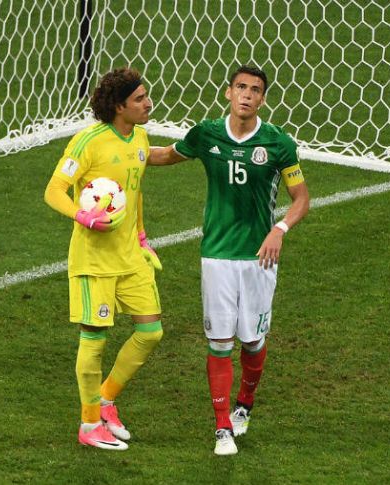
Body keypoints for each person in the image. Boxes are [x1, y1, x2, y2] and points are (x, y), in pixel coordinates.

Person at [148, 65, 310, 455]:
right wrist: (120, 154)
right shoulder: (206, 133)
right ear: (228, 92)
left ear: (263, 99)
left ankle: (245, 404)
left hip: (258, 258)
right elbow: (166, 156)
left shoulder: (278, 144)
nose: (247, 95)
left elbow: (301, 198)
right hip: (217, 255)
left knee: (252, 342)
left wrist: (280, 229)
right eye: (241, 87)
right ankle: (222, 428)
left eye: (255, 90)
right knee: (219, 342)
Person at [44, 67, 164, 451]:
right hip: (94, 261)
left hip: (130, 256)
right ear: (118, 106)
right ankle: (89, 422)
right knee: (94, 340)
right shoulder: (88, 143)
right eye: (140, 99)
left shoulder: (141, 137)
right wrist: (82, 216)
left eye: (146, 96)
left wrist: (142, 235)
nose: (148, 104)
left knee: (150, 332)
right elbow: (54, 190)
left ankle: (107, 399)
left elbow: (134, 191)